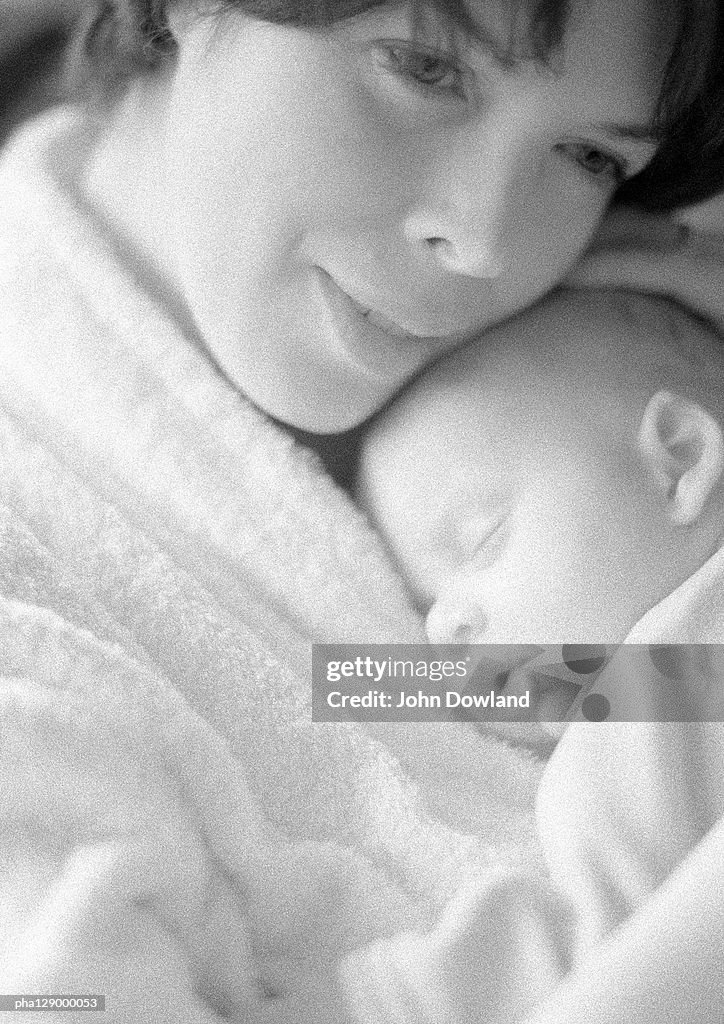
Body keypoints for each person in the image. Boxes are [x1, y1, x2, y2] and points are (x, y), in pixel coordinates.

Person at [1, 0, 724, 1021]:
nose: (481, 240)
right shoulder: (34, 576)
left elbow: (616, 692)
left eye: (586, 155)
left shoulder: (591, 376)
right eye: (424, 68)